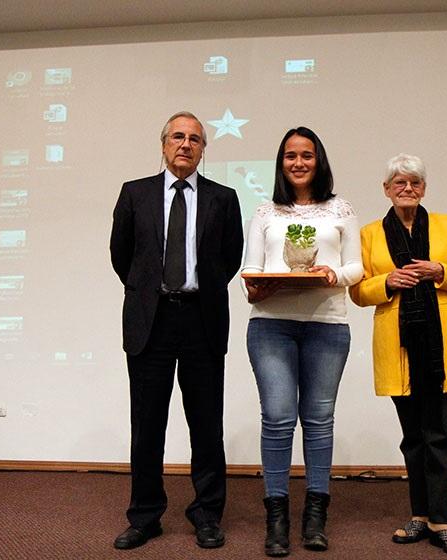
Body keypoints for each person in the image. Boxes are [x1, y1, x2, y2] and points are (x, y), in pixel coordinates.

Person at [109, 111, 243, 551]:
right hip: (152, 321)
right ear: (163, 144)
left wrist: (195, 289)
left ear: (204, 149)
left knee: (206, 425)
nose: (185, 145)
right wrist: (152, 290)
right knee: (147, 425)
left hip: (202, 320)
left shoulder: (223, 198)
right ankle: (145, 516)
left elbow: (230, 258)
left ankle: (206, 515)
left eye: (195, 139)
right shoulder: (135, 194)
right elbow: (122, 256)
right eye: (177, 137)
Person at [349, 153, 447, 557]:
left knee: (438, 436)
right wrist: (387, 280)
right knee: (412, 439)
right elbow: (357, 292)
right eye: (399, 183)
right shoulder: (370, 233)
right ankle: (419, 516)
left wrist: (440, 271)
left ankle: (442, 522)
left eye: (415, 183)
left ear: (424, 188)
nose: (407, 189)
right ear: (386, 190)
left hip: (443, 346)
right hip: (399, 346)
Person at [242, 127, 362, 557]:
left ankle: (315, 518)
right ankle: (276, 518)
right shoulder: (265, 212)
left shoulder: (341, 208)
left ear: (319, 160)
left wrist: (335, 275)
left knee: (318, 420)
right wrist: (257, 289)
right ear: (281, 162)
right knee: (276, 418)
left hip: (327, 324)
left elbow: (356, 267)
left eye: (306, 155)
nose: (298, 162)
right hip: (271, 324)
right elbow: (250, 271)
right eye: (290, 155)